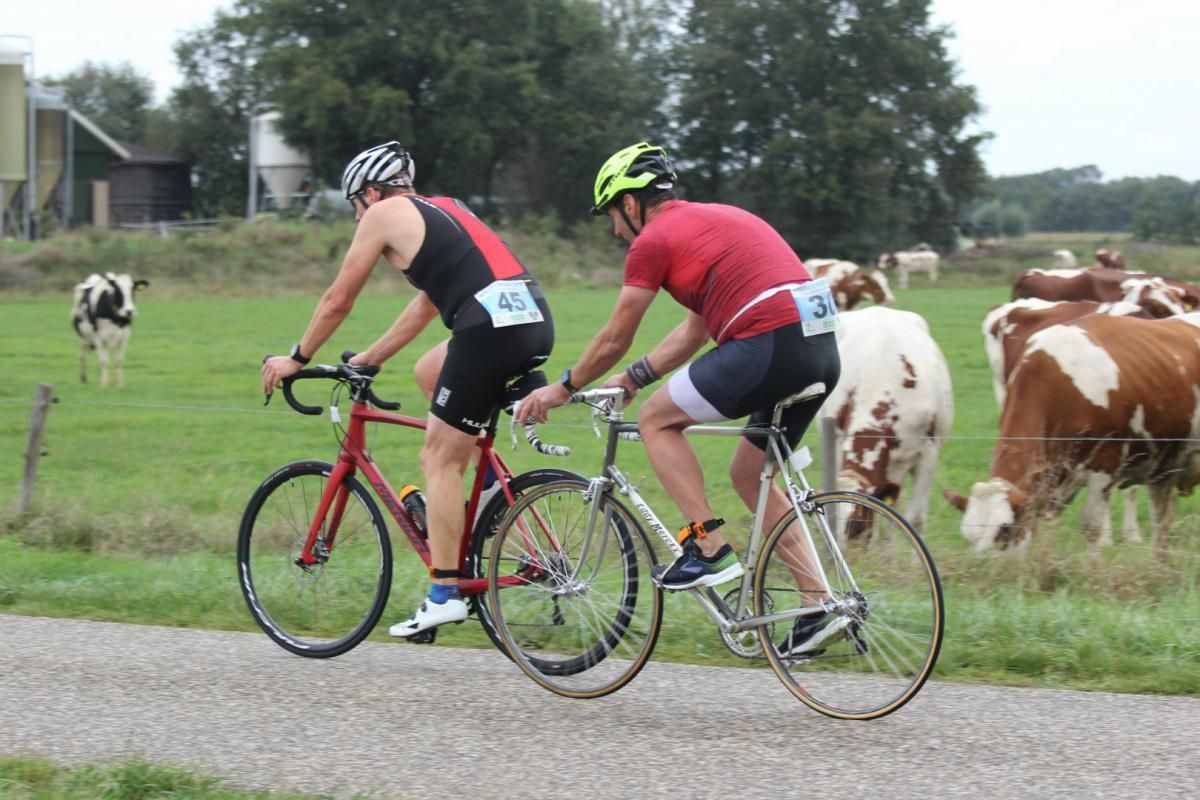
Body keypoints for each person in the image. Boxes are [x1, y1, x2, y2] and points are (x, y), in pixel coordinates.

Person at [514, 142, 844, 656]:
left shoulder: (655, 240)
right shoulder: (716, 221)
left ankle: (707, 545)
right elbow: (695, 331)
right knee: (748, 475)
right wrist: (635, 377)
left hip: (768, 344)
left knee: (656, 421)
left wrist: (562, 388)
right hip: (819, 349)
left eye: (613, 216)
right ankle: (819, 604)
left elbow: (614, 337)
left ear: (630, 203)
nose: (616, 231)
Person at [262, 140, 554, 638]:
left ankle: (444, 593)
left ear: (371, 193)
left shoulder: (383, 215)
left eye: (356, 206)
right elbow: (427, 304)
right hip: (533, 321)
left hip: (487, 331)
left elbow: (337, 299)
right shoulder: (446, 208)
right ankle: (489, 498)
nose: (359, 218)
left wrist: (298, 357)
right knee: (428, 372)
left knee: (438, 459)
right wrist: (371, 358)